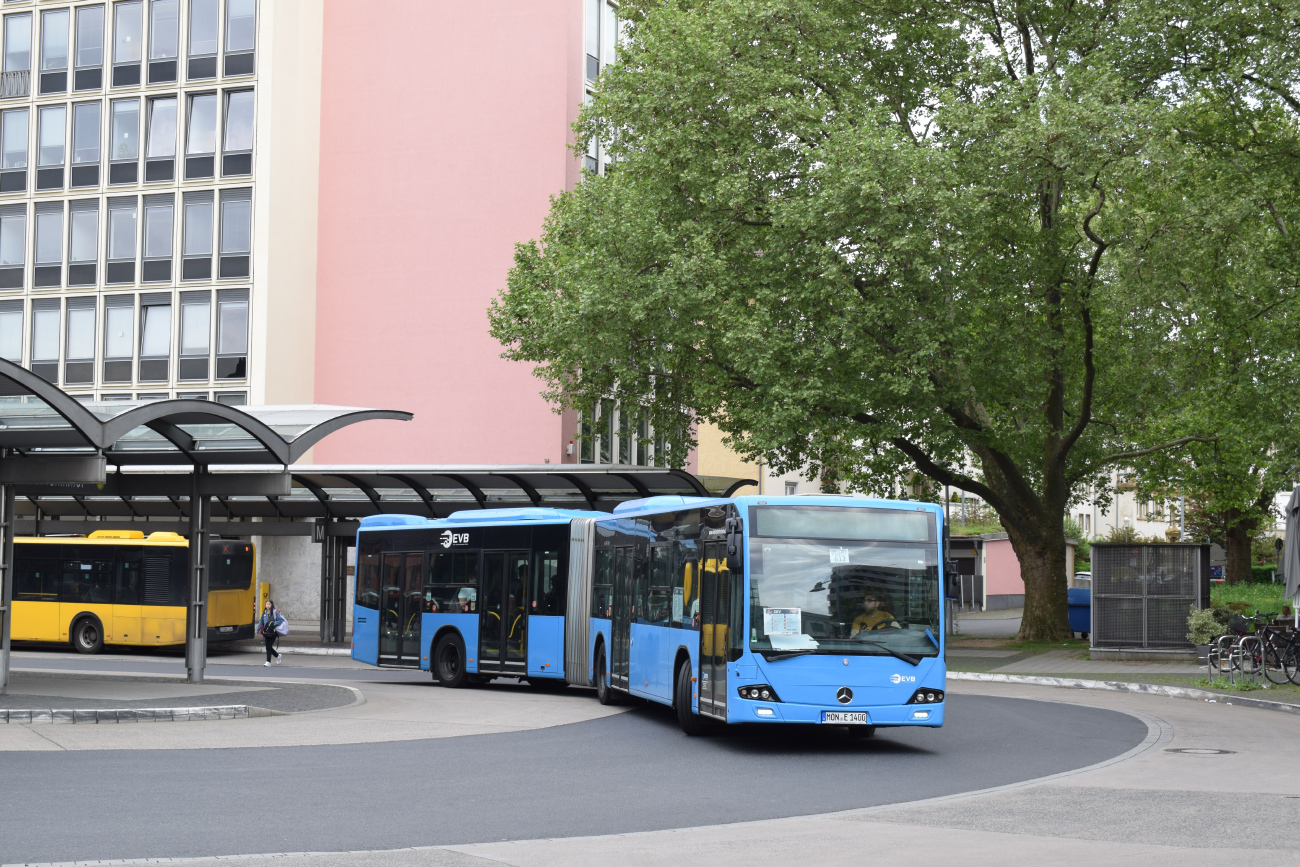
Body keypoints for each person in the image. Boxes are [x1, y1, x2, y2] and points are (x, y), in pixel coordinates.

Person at [257, 599, 285, 666]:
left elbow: (280, 620)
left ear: (272, 605)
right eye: (267, 604)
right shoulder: (264, 612)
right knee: (268, 646)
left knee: (268, 646)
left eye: (269, 604)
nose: (268, 605)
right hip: (266, 632)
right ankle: (277, 656)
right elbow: (261, 621)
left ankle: (268, 662)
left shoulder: (275, 612)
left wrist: (273, 624)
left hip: (273, 632)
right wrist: (257, 629)